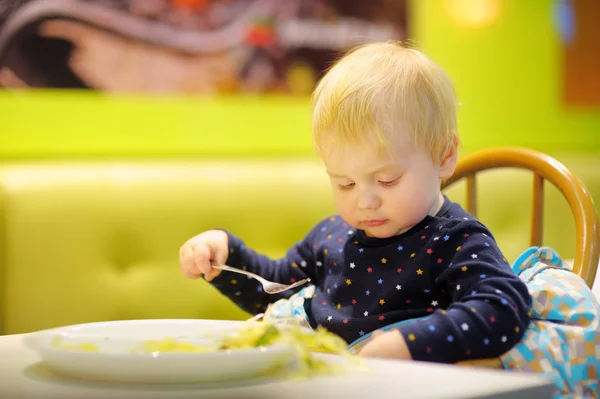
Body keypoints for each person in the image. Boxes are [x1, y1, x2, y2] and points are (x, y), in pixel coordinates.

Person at [179, 41, 531, 363]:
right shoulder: (331, 234)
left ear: (444, 156)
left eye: (387, 180)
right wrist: (226, 255)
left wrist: (409, 343)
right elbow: (273, 290)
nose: (365, 200)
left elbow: (501, 309)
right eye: (345, 183)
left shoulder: (455, 241)